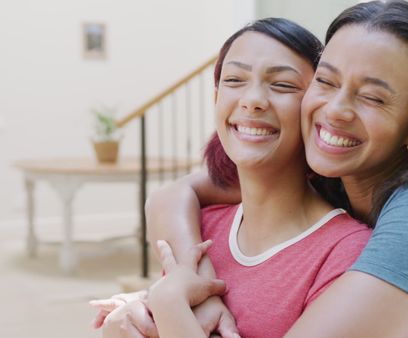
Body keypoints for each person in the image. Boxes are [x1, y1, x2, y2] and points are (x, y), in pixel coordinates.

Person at [99, 1, 408, 337]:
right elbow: (174, 195)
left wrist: (173, 303)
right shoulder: (338, 181)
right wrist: (193, 283)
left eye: (373, 98)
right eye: (326, 81)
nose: (336, 110)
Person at [90, 17, 371, 338]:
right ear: (216, 98)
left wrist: (168, 302)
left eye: (282, 84)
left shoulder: (345, 251)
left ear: (316, 107)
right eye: (235, 80)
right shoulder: (201, 228)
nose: (252, 100)